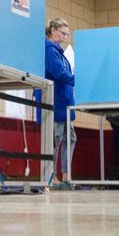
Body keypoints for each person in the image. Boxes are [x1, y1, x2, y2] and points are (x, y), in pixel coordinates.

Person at [44, 18, 75, 188]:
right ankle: (51, 176)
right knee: (54, 140)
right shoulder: (50, 50)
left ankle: (65, 173)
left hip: (64, 101)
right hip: (55, 101)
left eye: (67, 35)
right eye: (62, 33)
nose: (64, 37)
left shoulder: (59, 51)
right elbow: (59, 73)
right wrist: (79, 79)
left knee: (70, 137)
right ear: (53, 30)